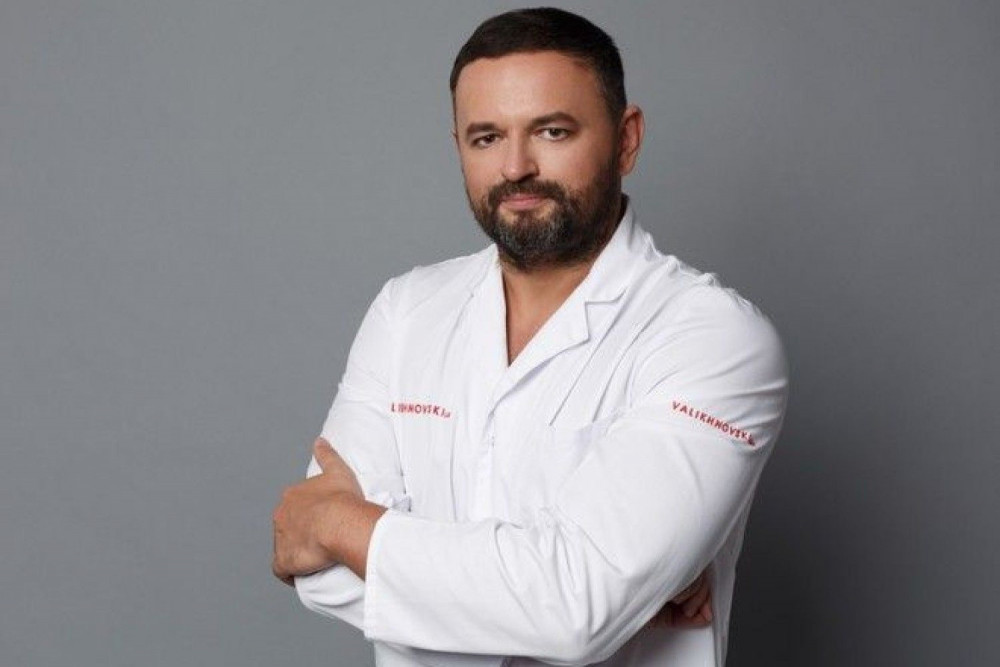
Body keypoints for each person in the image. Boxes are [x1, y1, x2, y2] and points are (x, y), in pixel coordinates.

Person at [272, 7, 788, 666]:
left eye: (552, 130)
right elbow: (313, 569)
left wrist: (339, 525)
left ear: (626, 139)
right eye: (486, 137)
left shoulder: (714, 337)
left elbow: (576, 610)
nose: (515, 167)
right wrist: (576, 587)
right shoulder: (406, 312)